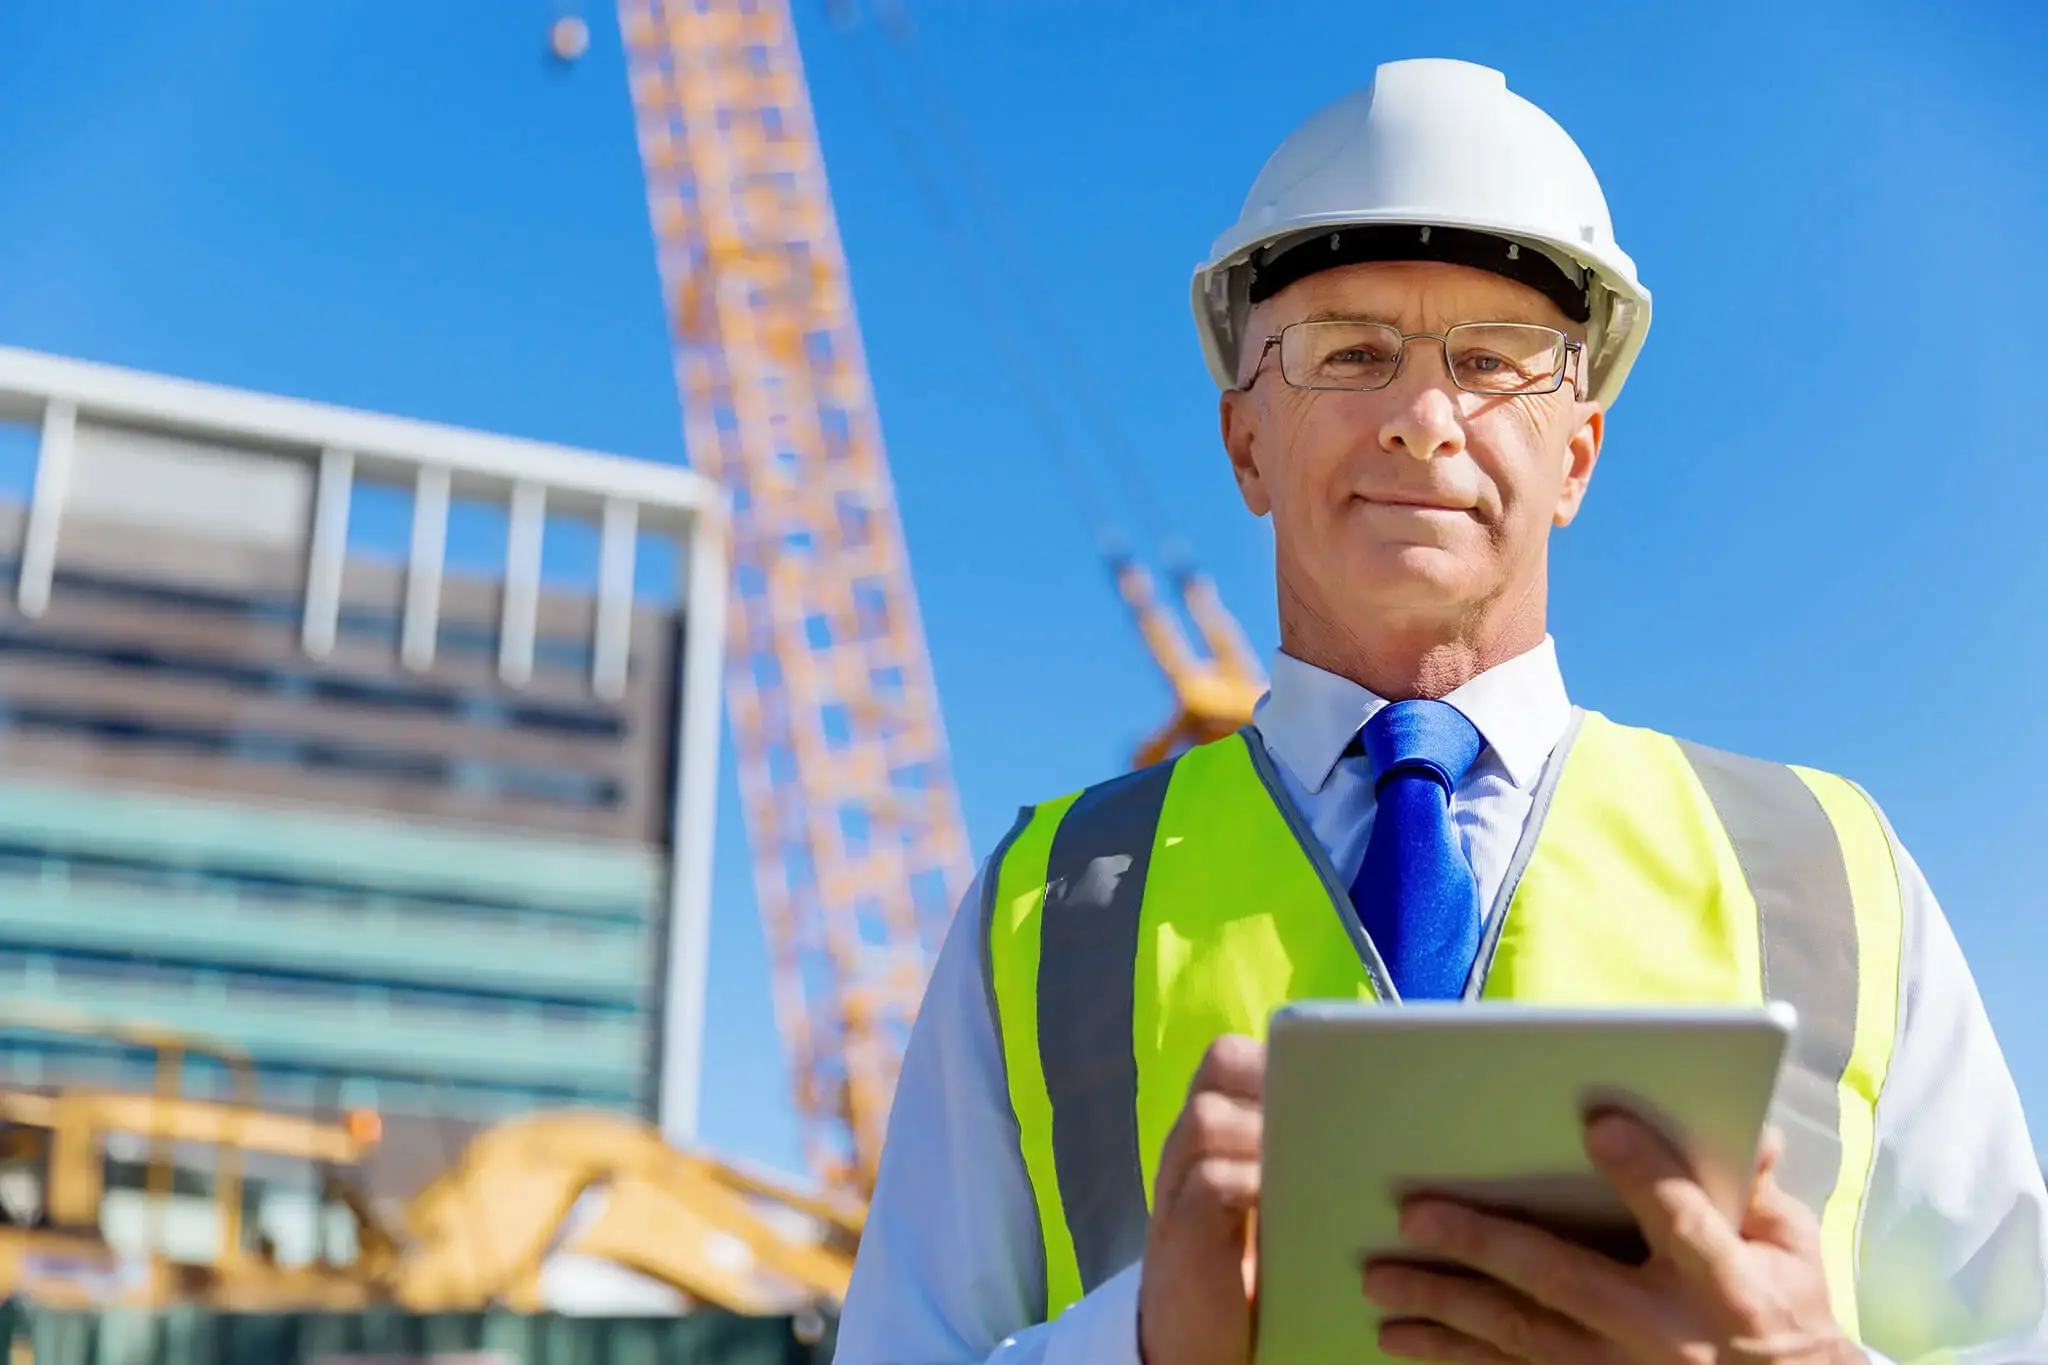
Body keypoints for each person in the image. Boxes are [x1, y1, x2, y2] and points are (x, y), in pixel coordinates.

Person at [834, 57, 2048, 1365]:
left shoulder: (1829, 878)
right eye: (1350, 352)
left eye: (1494, 361)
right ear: (1246, 441)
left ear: (1577, 451)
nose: (1423, 419)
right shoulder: (1048, 909)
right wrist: (1135, 1348)